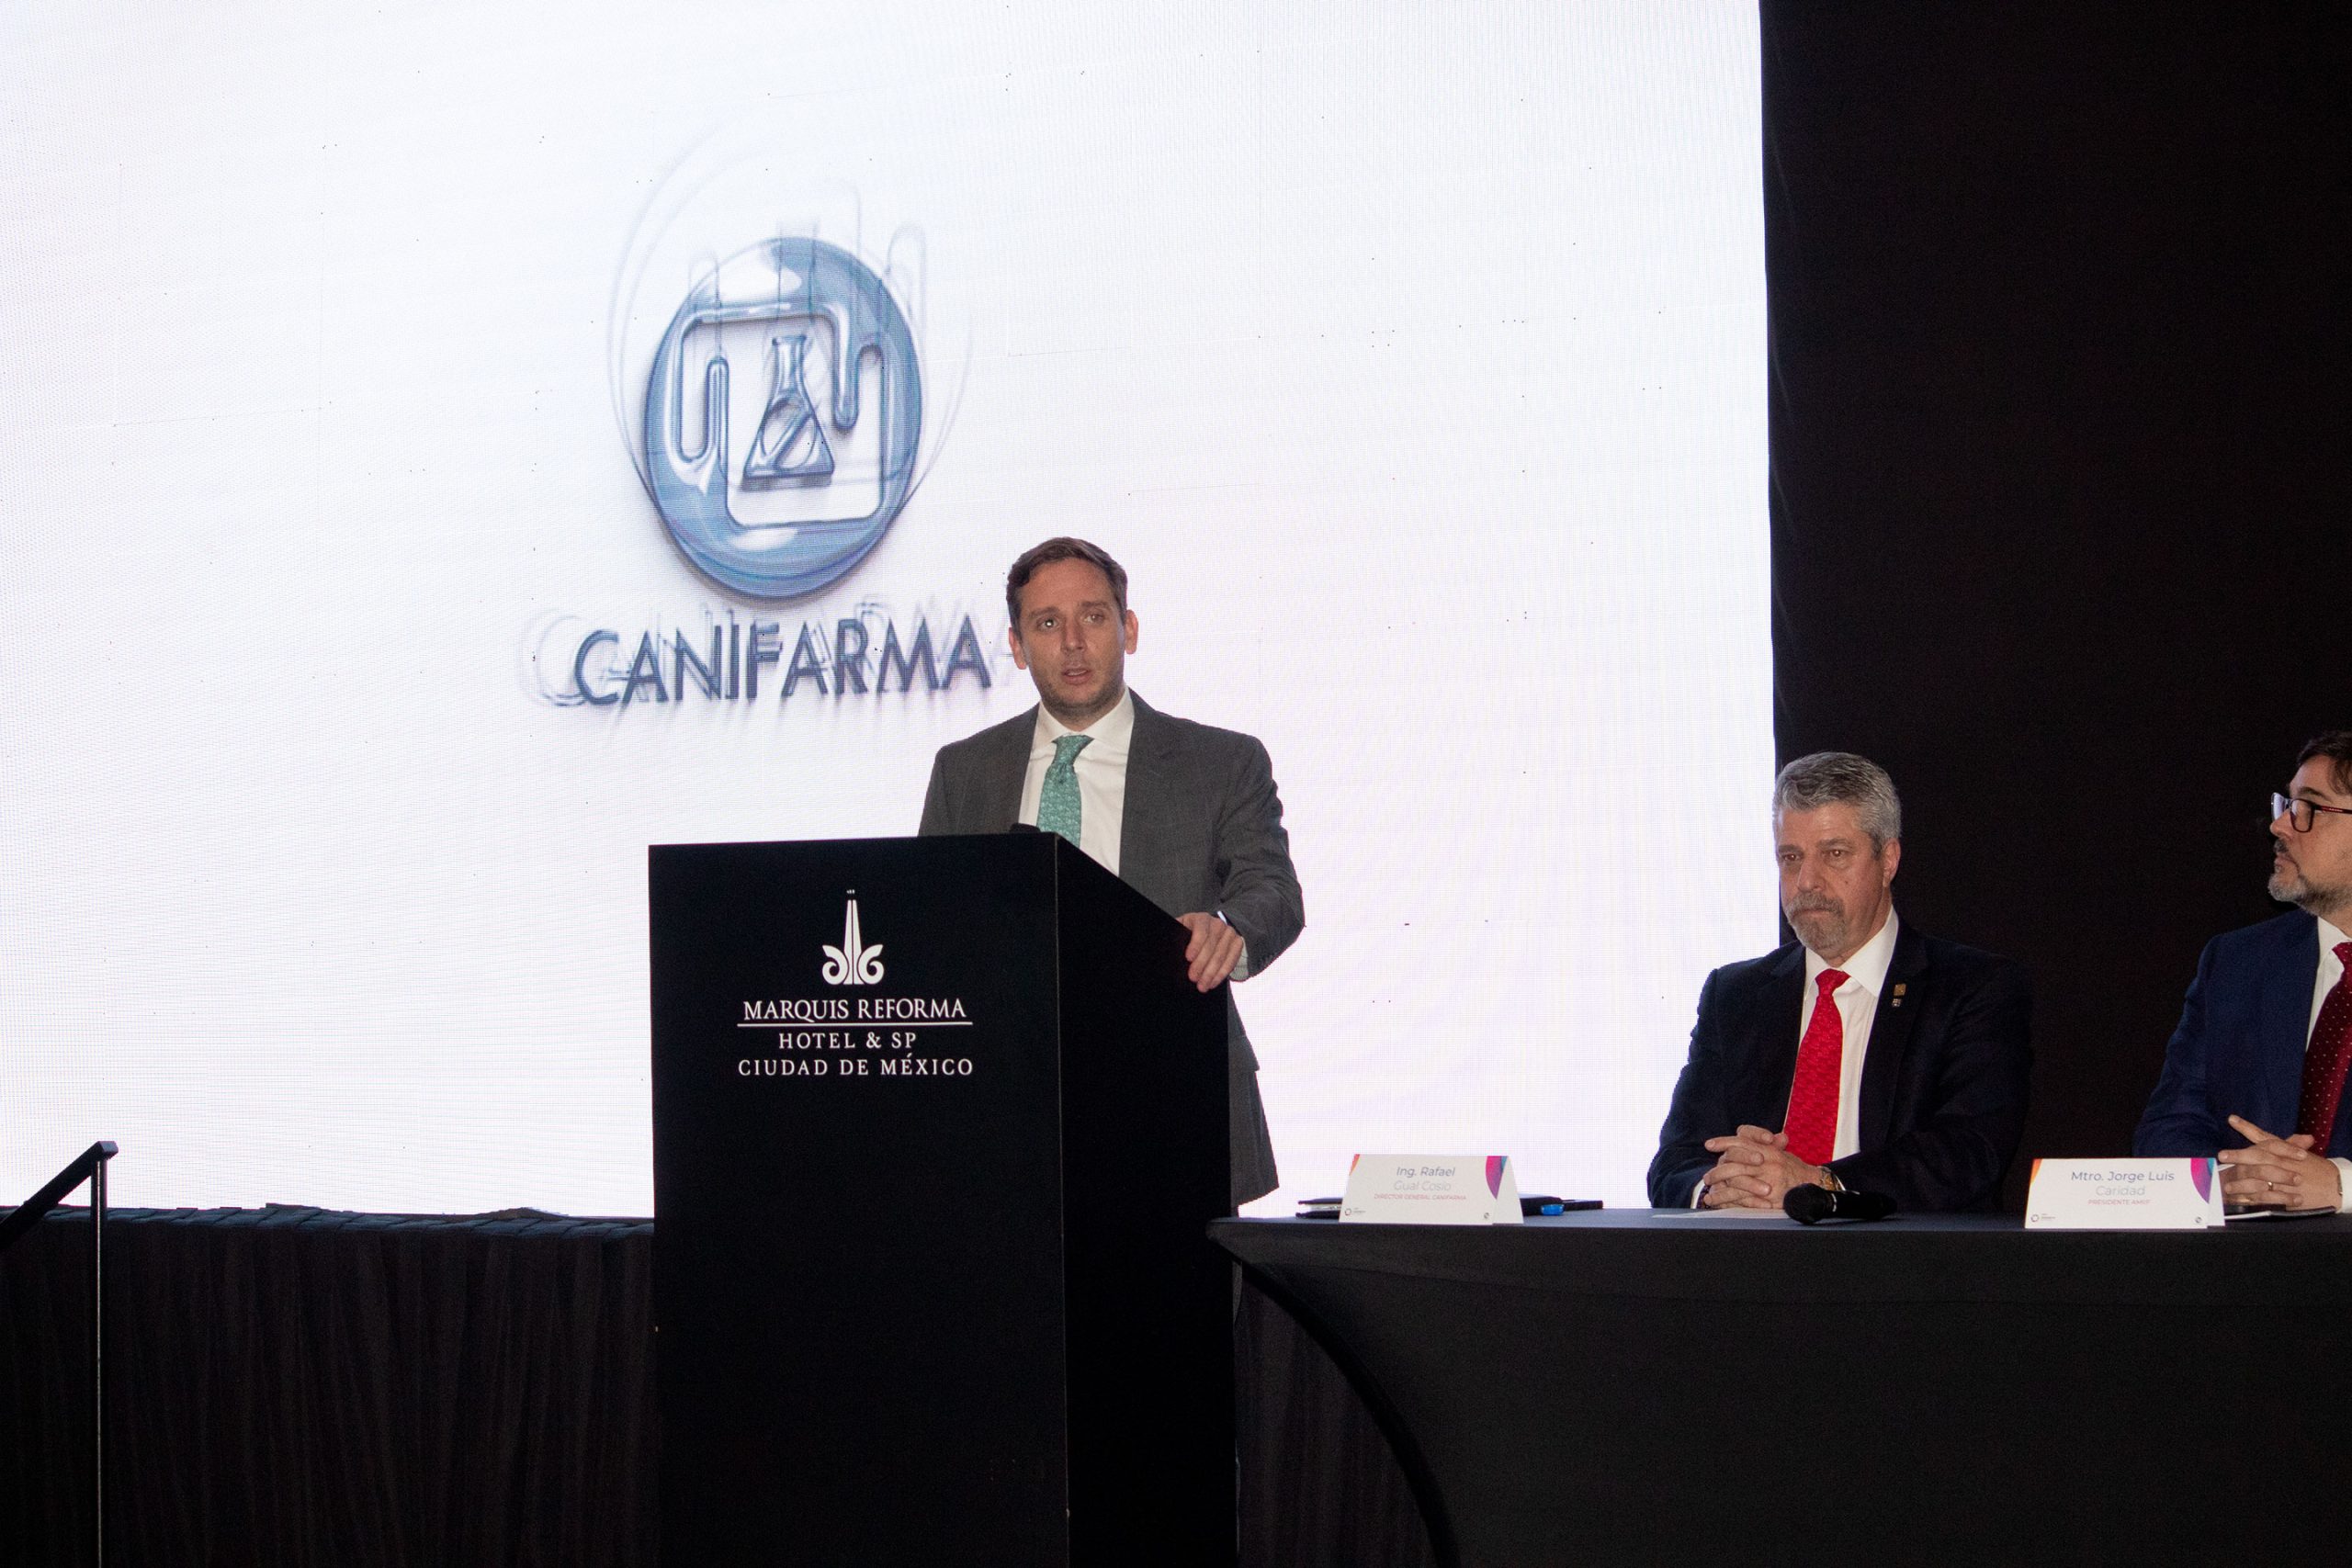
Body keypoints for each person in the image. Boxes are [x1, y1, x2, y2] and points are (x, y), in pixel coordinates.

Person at [918, 536, 1303, 1208]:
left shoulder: (1220, 762)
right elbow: (928, 922)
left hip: (1171, 1096)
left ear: (1128, 629)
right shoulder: (965, 770)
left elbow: (1272, 889)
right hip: (1004, 1103)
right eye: (1047, 623)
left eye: (1093, 617)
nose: (1073, 642)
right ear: (1017, 647)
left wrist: (1229, 930)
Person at [1647, 752, 2033, 1213]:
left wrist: (1818, 1184)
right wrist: (1722, 1189)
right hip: (1751, 1253)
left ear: (1888, 860)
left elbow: (1967, 1154)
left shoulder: (1972, 988)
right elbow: (1675, 1162)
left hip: (1898, 1254)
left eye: (1834, 854)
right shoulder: (1735, 996)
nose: (1807, 881)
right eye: (1791, 857)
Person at [2134, 731, 2352, 1210]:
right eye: (2286, 804)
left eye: (2308, 807)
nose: (2280, 826)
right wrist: (2230, 1179)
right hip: (2249, 1254)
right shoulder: (2238, 962)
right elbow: (2168, 1130)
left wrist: (2342, 1186)